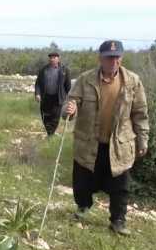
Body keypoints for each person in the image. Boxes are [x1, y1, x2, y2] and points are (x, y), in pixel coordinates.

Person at [63, 40, 149, 236]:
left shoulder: (133, 81)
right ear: (100, 58)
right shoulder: (85, 79)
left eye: (117, 57)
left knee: (120, 186)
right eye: (109, 57)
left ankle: (118, 220)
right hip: (89, 142)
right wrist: (70, 109)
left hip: (118, 144)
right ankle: (83, 208)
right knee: (83, 180)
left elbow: (140, 113)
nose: (114, 61)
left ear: (122, 58)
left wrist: (142, 139)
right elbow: (72, 101)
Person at [35, 51, 72, 137]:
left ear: (58, 59)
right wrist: (37, 94)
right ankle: (49, 132)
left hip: (57, 97)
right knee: (45, 115)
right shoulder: (43, 70)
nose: (52, 59)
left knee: (55, 116)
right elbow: (38, 83)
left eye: (54, 58)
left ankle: (51, 134)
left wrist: (70, 98)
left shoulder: (64, 70)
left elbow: (68, 85)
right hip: (45, 96)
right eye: (51, 58)